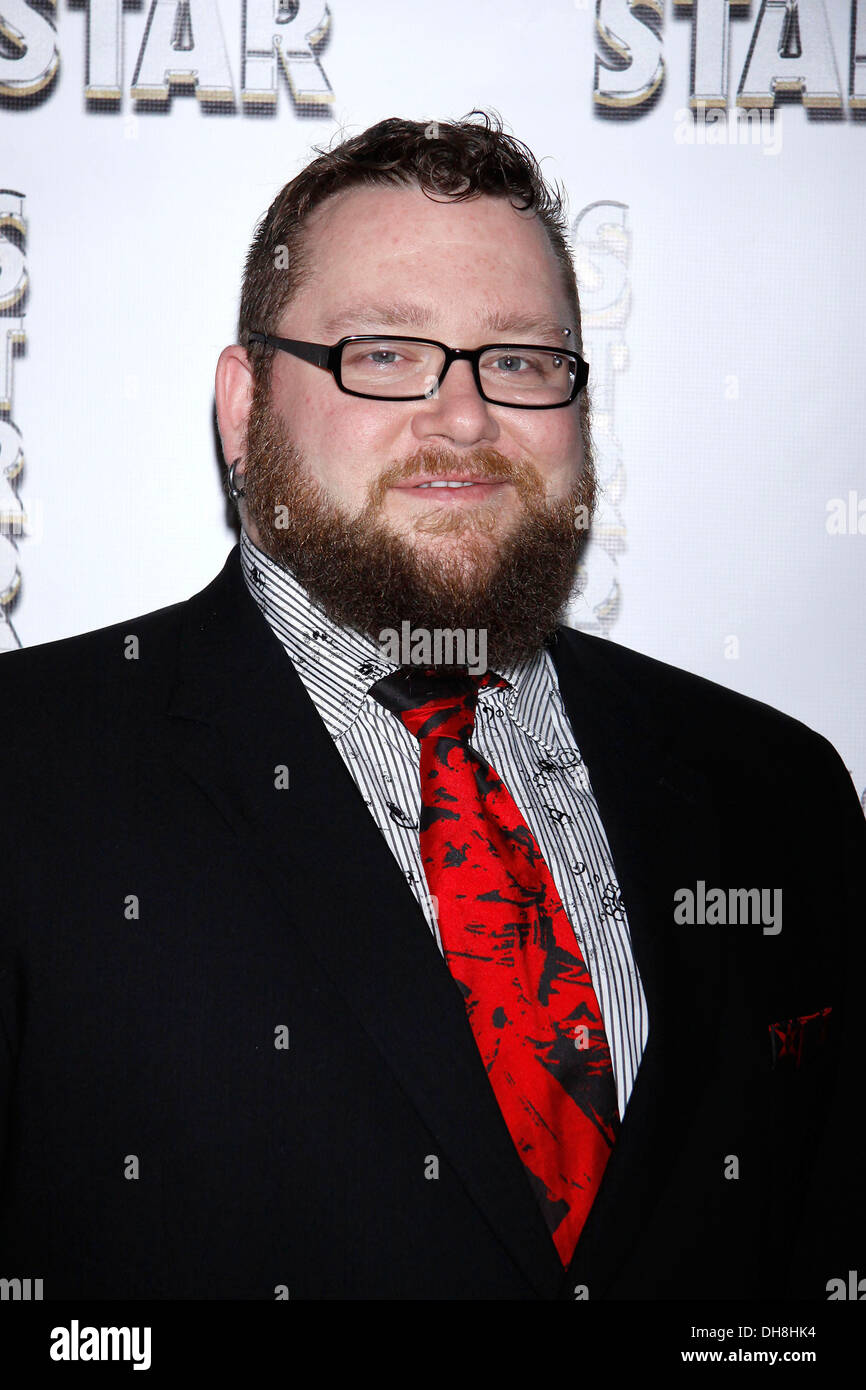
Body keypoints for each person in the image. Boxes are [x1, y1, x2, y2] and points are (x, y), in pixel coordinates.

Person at [0, 112, 862, 1302]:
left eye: (516, 360)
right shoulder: (29, 772)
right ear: (244, 409)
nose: (463, 417)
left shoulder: (776, 788)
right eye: (385, 353)